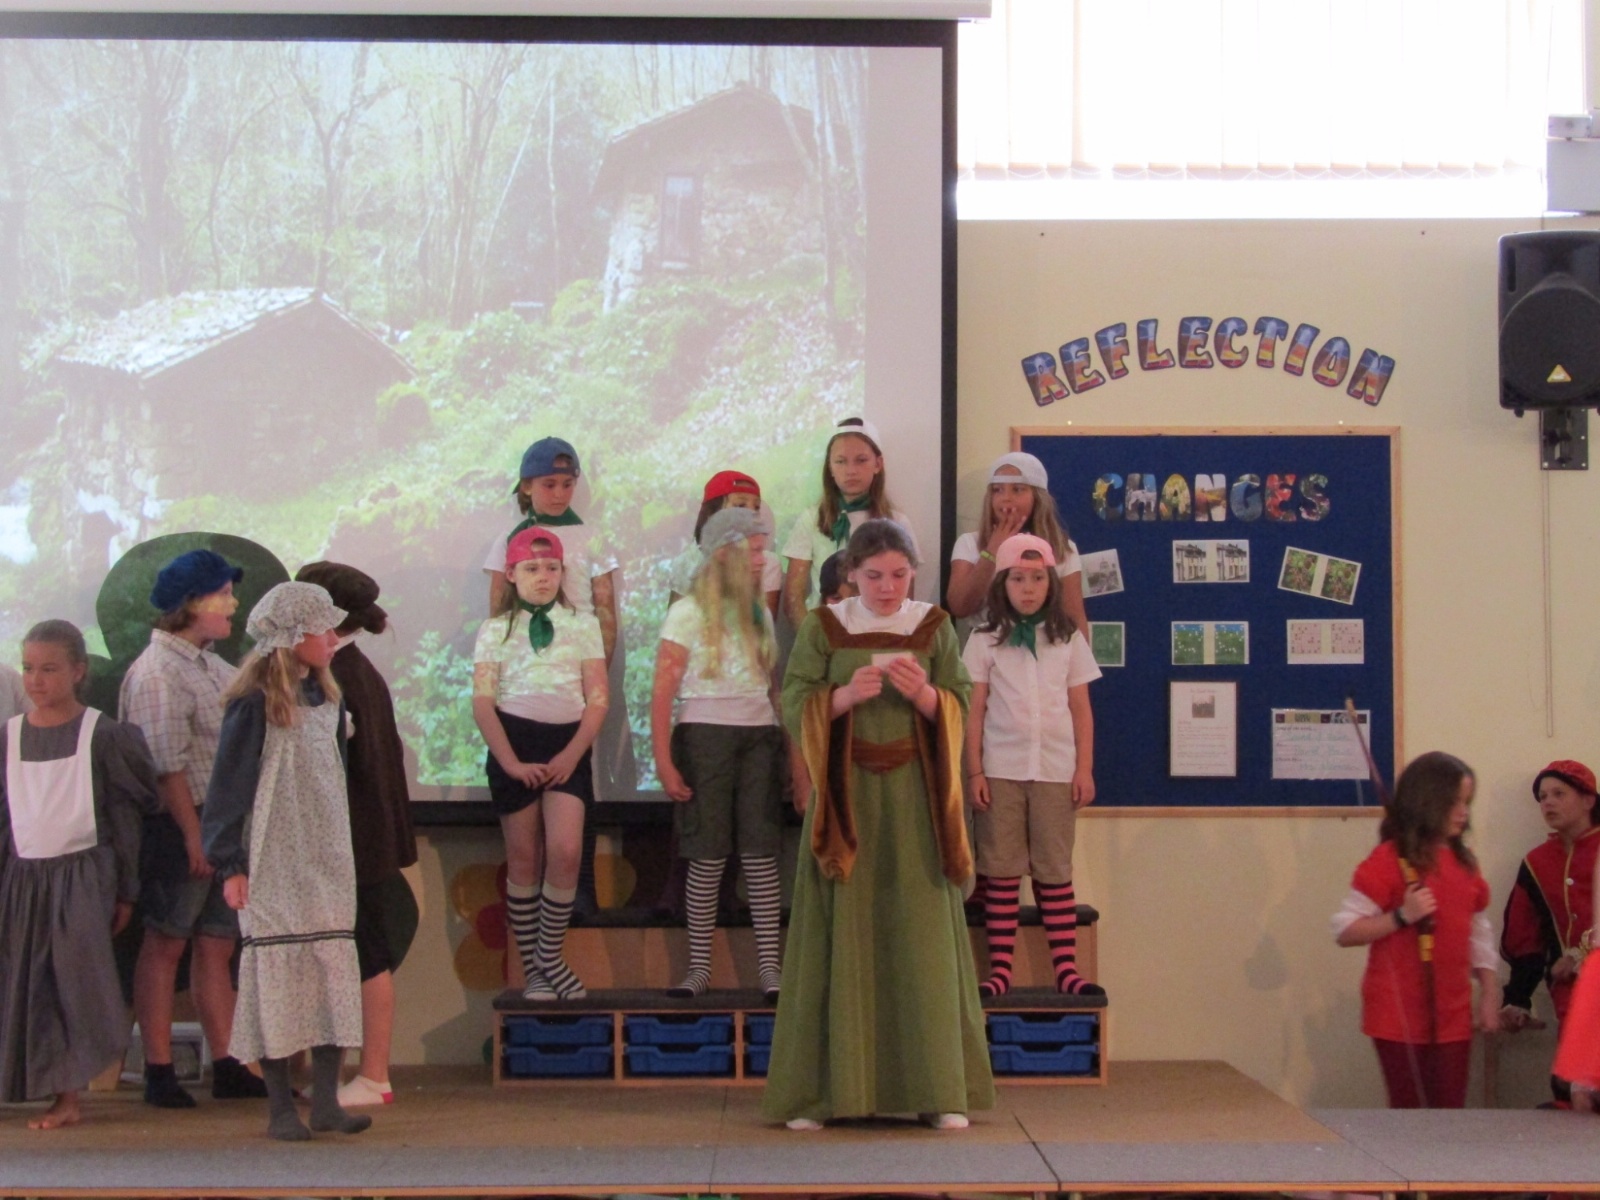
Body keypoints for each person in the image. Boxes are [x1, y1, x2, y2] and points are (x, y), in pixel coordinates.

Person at [763, 519, 994, 1131]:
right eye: (873, 576)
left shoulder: (933, 627)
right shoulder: (824, 627)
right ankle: (820, 1094)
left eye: (898, 575)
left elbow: (961, 698)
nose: (887, 588)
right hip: (848, 799)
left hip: (917, 802)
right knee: (839, 930)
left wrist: (927, 698)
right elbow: (795, 697)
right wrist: (840, 698)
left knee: (921, 934)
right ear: (850, 575)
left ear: (913, 572)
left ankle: (938, 1090)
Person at [201, 582, 370, 1142]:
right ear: (293, 637)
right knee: (276, 978)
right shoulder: (254, 703)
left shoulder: (329, 698)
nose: (332, 638)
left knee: (330, 971)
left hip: (325, 854)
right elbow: (228, 787)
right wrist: (230, 864)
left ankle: (326, 1102)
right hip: (273, 854)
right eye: (323, 629)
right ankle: (279, 1108)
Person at [119, 548, 268, 1108]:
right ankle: (159, 1069)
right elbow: (167, 765)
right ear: (189, 604)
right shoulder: (159, 672)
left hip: (220, 824)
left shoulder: (209, 665)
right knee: (166, 941)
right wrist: (192, 835)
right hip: (183, 822)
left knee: (216, 943)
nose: (232, 604)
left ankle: (228, 1061)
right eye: (221, 594)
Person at [0, 620, 160, 1129]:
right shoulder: (9, 736)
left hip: (83, 876)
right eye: (28, 668)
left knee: (73, 981)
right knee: (28, 982)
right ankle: (47, 1088)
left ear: (78, 670)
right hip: (24, 877)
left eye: (49, 669)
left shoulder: (102, 734)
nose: (36, 680)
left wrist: (126, 889)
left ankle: (69, 1096)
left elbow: (123, 817)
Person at [294, 562, 420, 1108]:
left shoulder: (339, 677)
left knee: (366, 954)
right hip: (360, 839)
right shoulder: (351, 669)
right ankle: (350, 1073)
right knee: (354, 954)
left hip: (352, 841)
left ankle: (373, 1074)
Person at [651, 508, 784, 1000]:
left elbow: (771, 685)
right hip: (705, 736)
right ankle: (699, 968)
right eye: (755, 551)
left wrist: (789, 748)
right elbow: (662, 690)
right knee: (706, 855)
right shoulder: (687, 612)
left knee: (761, 854)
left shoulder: (758, 611)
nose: (762, 560)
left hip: (759, 736)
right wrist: (664, 760)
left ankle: (770, 970)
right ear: (726, 553)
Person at [962, 533, 1102, 998]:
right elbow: (973, 712)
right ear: (1001, 583)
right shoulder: (984, 640)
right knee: (1001, 873)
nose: (1028, 588)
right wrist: (974, 772)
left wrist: (1084, 769)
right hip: (1000, 771)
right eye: (1018, 579)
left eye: (1038, 578)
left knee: (1054, 871)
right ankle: (1000, 969)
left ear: (1051, 583)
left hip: (1056, 771)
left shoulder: (1068, 639)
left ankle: (1067, 969)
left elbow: (1081, 709)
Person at [472, 527, 608, 1001]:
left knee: (566, 851)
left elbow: (598, 699)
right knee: (525, 858)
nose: (544, 576)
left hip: (566, 744)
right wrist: (510, 762)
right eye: (531, 568)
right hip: (514, 742)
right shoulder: (495, 629)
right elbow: (483, 703)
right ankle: (534, 972)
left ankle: (549, 956)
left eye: (552, 568)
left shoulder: (583, 624)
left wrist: (572, 753)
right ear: (511, 574)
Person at [1331, 751, 1500, 1108]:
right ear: (1427, 802)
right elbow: (1345, 929)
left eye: (1467, 803)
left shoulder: (1465, 863)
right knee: (1409, 1112)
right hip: (1396, 1015)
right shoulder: (1389, 859)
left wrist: (1488, 991)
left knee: (1449, 1110)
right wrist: (1400, 916)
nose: (1463, 812)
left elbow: (1478, 931)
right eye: (1454, 803)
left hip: (1452, 1012)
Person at [1498, 760, 1599, 1105]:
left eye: (1559, 793)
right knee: (1571, 1088)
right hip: (1571, 997)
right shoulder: (1537, 862)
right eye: (1542, 797)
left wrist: (1581, 957)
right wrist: (1517, 998)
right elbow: (1525, 936)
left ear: (1588, 800)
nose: (1548, 803)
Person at [483, 437, 620, 663]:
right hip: (525, 660)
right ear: (527, 486)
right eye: (549, 485)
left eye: (567, 484)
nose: (559, 494)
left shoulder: (592, 538)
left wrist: (599, 672)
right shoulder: (509, 540)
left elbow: (605, 614)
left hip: (579, 655)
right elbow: (499, 614)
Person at [781, 418, 917, 628]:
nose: (851, 470)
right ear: (830, 466)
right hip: (826, 632)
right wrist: (813, 639)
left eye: (861, 460)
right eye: (841, 461)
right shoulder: (812, 519)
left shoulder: (897, 523)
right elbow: (794, 598)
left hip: (880, 634)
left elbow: (906, 598)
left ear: (877, 464)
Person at [946, 451, 1088, 631]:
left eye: (1017, 489)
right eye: (997, 490)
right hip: (986, 645)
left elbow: (1074, 618)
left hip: (1047, 644)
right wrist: (992, 551)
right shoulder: (969, 543)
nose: (1006, 498)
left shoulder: (1062, 548)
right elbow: (959, 607)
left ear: (1037, 497)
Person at [668, 471, 783, 620]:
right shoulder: (687, 562)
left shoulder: (766, 563)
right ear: (713, 513)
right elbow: (674, 622)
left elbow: (762, 626)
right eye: (740, 505)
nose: (750, 514)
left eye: (756, 507)